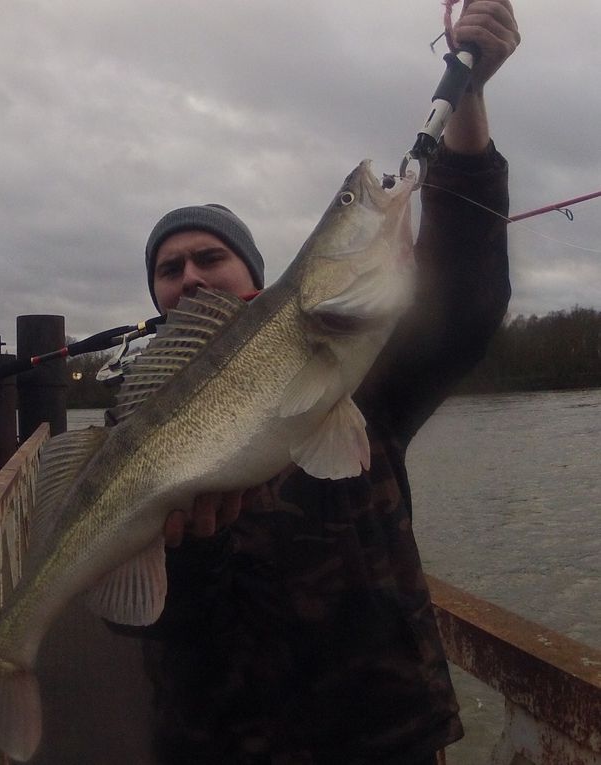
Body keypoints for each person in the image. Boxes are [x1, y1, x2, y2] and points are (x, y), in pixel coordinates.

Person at [131, 2, 520, 763]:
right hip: (212, 746)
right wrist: (184, 550)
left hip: (382, 738)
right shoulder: (140, 416)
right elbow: (129, 615)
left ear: (257, 275)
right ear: (155, 297)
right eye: (167, 268)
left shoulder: (353, 369)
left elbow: (468, 296)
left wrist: (467, 95)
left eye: (210, 256)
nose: (188, 275)